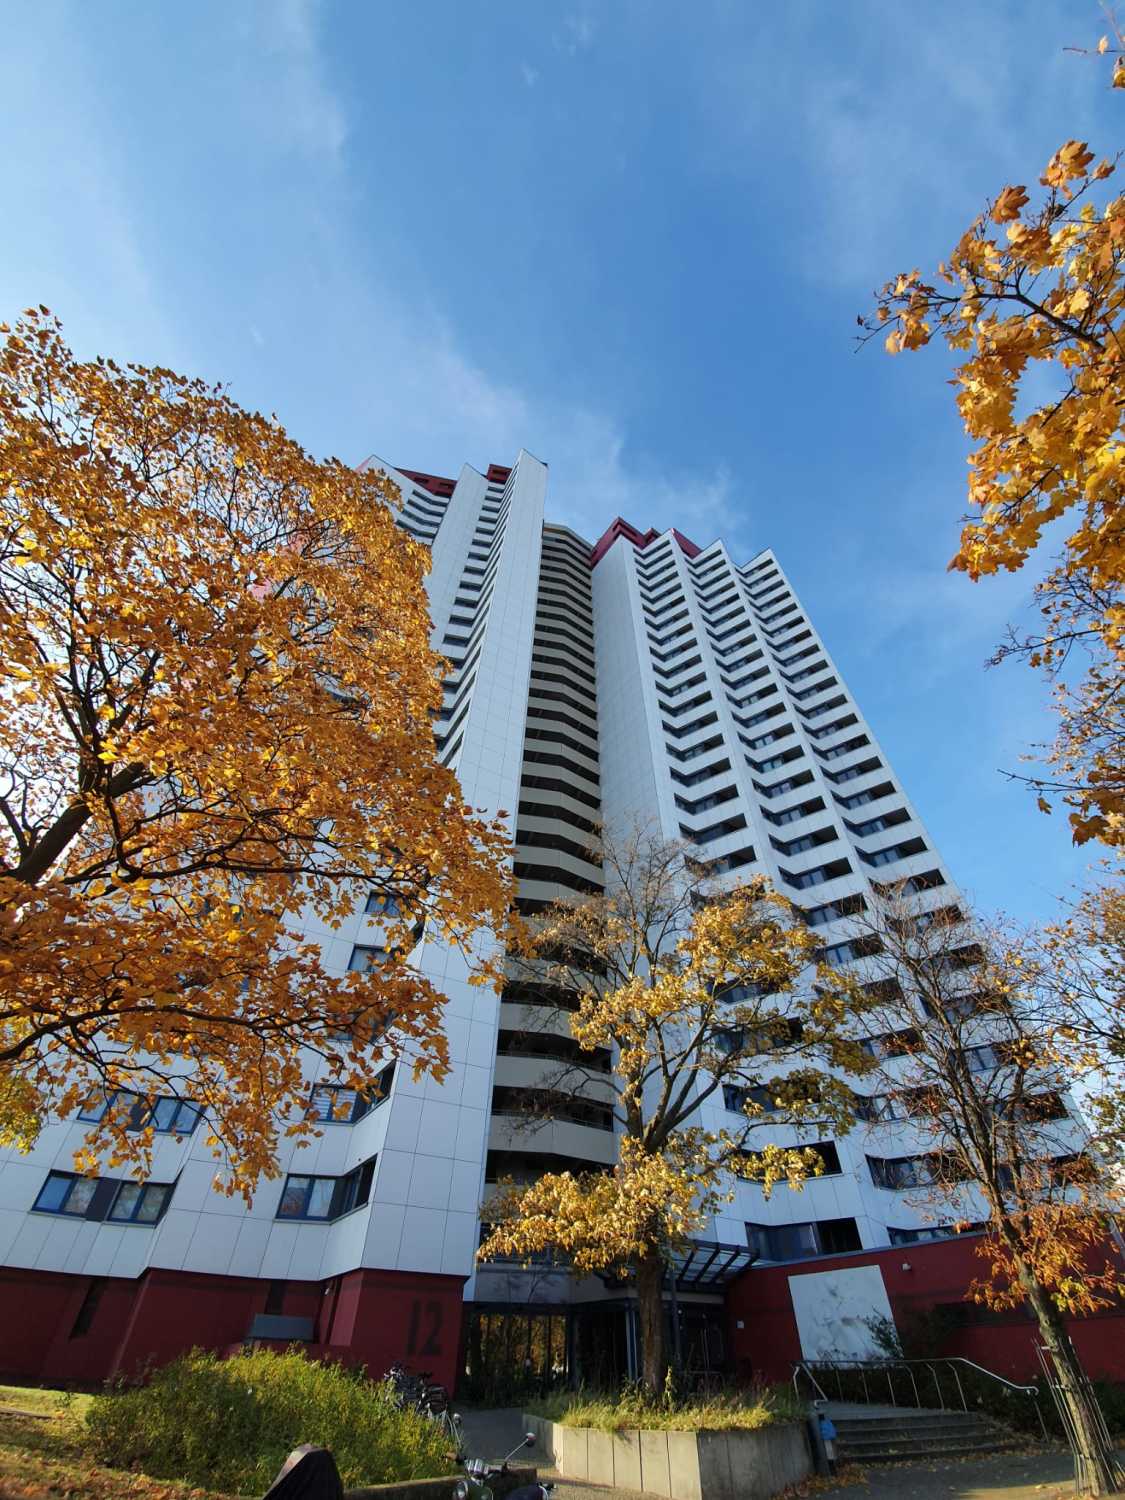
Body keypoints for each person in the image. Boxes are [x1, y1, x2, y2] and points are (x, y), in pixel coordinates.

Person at [818, 1412, 838, 1477]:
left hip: (826, 1440)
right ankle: (834, 1472)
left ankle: (832, 1473)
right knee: (831, 1455)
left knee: (829, 1456)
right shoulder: (828, 1423)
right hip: (831, 1439)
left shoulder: (820, 1425)